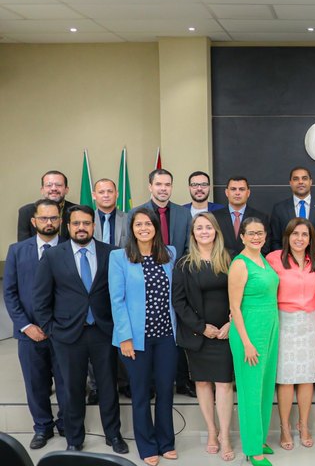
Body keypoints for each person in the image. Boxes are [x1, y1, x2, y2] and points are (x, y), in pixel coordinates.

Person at [33, 205, 127, 454]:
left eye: (86, 223)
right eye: (76, 223)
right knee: (72, 389)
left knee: (108, 387)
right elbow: (41, 299)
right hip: (67, 335)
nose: (82, 228)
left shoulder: (111, 253)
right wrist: (51, 329)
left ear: (94, 225)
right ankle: (74, 439)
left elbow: (118, 293)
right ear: (68, 226)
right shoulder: (54, 256)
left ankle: (113, 435)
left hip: (103, 331)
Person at [109, 208, 178, 466]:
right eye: (138, 224)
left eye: (148, 224)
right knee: (140, 393)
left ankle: (166, 442)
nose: (144, 228)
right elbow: (117, 300)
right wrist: (125, 337)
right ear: (132, 229)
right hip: (135, 339)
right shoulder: (119, 257)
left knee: (165, 391)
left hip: (166, 337)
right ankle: (147, 445)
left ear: (155, 227)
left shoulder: (168, 254)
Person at [4, 199, 67, 449]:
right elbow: (9, 293)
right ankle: (42, 427)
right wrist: (25, 326)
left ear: (61, 221)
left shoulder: (70, 247)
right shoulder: (17, 251)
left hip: (63, 333)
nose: (49, 222)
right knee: (36, 384)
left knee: (66, 383)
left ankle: (67, 424)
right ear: (34, 221)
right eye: (44, 218)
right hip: (29, 333)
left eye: (53, 218)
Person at [172, 212, 235, 461]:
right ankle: (211, 431)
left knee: (223, 383)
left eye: (208, 227)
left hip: (225, 334)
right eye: (199, 228)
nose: (204, 231)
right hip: (198, 335)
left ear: (216, 231)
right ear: (193, 234)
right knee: (202, 383)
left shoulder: (231, 259)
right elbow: (178, 302)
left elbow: (241, 295)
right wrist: (200, 327)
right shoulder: (184, 264)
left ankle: (226, 435)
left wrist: (232, 323)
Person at [131, 168, 194, 397]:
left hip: (176, 279)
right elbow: (128, 248)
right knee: (149, 338)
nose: (163, 188)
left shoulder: (183, 213)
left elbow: (188, 248)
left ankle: (182, 380)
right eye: (159, 184)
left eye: (167, 184)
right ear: (150, 187)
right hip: (146, 281)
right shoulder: (137, 213)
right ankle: (150, 385)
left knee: (176, 333)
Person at [265, 218, 315, 451]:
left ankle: (304, 425)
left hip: (310, 322)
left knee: (307, 377)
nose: (300, 239)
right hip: (284, 322)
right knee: (286, 378)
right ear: (287, 236)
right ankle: (285, 427)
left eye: (305, 235)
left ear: (311, 239)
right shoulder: (273, 259)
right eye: (295, 234)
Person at [228, 217, 280, 466]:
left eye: (260, 233)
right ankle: (252, 450)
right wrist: (247, 343)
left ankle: (258, 439)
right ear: (242, 236)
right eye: (251, 233)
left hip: (269, 329)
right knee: (251, 390)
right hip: (249, 332)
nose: (256, 237)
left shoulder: (265, 259)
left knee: (265, 387)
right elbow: (234, 308)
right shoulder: (240, 264)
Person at [91, 177, 130, 401]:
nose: (106, 195)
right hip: (94, 286)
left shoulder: (129, 218)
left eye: (110, 191)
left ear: (117, 195)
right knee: (96, 336)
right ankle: (96, 385)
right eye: (101, 192)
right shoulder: (86, 219)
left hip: (123, 285)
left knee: (123, 332)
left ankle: (125, 382)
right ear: (94, 195)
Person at [269, 166, 315, 252]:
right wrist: (286, 260)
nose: (300, 182)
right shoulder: (279, 209)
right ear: (290, 183)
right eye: (296, 179)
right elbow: (275, 241)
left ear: (311, 182)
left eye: (304, 178)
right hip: (287, 262)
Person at [212, 176, 269, 254]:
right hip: (221, 264)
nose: (237, 193)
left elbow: (265, 247)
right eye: (233, 189)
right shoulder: (214, 217)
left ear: (248, 193)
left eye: (241, 189)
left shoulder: (261, 218)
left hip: (250, 264)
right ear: (226, 192)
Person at [18, 170, 77, 241]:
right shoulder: (26, 212)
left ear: (66, 190)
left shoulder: (76, 211)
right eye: (49, 185)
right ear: (42, 190)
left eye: (58, 185)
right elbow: (23, 246)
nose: (54, 188)